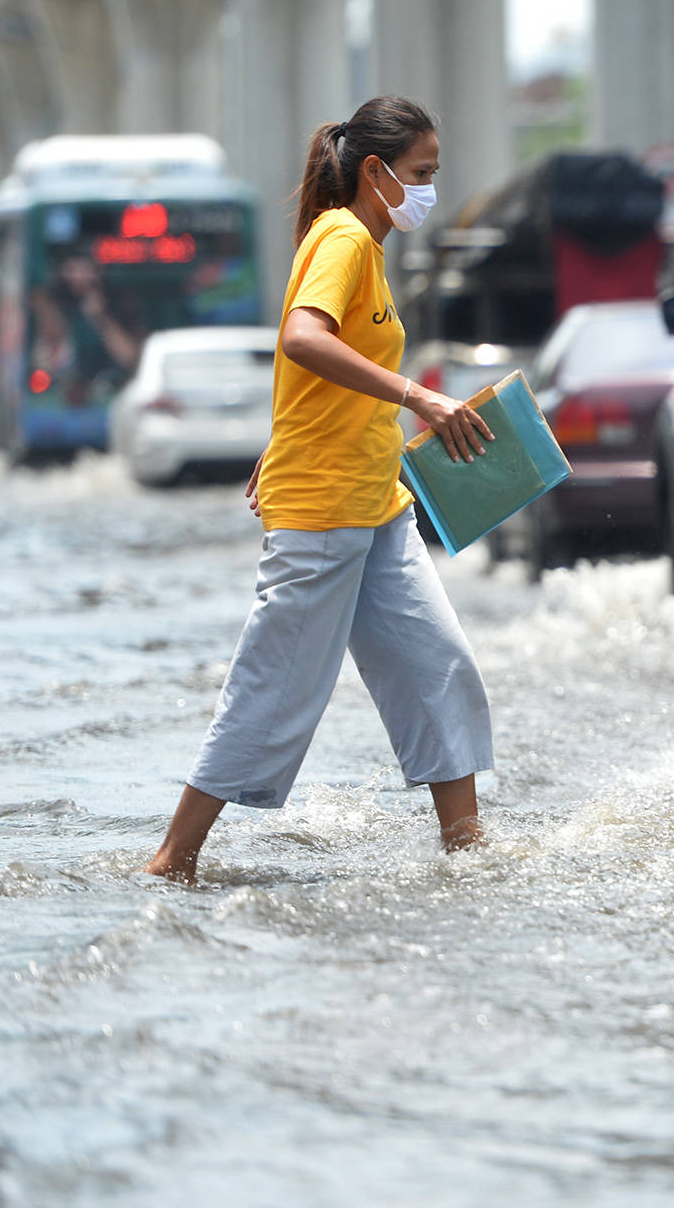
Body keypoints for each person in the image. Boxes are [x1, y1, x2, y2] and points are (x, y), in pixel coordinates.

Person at [147, 94, 495, 883]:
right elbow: (303, 337)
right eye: (422, 174)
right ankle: (172, 860)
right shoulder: (342, 236)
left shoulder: (365, 249)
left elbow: (315, 373)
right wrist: (418, 395)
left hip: (379, 507)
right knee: (275, 687)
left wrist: (284, 434)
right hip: (327, 509)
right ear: (376, 173)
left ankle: (468, 855)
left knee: (439, 666)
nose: (430, 190)